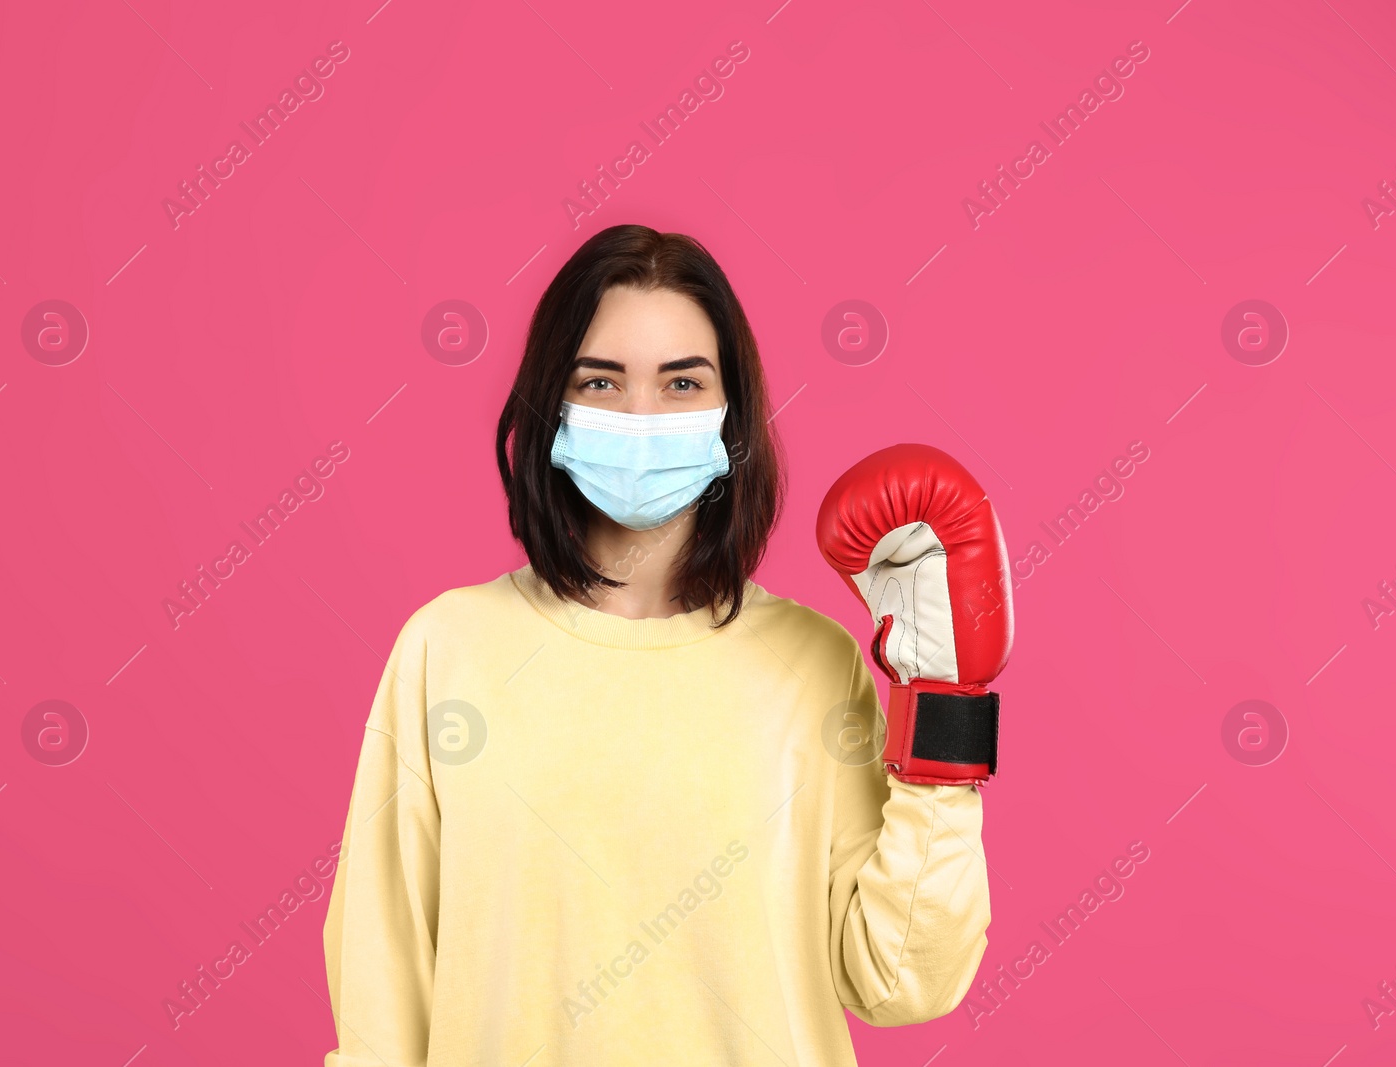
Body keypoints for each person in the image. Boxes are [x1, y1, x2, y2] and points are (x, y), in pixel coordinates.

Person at [321, 223, 994, 1066]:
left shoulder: (813, 663)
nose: (642, 414)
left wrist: (945, 706)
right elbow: (380, 991)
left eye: (682, 381)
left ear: (730, 414)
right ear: (550, 404)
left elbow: (902, 982)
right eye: (601, 380)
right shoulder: (446, 650)